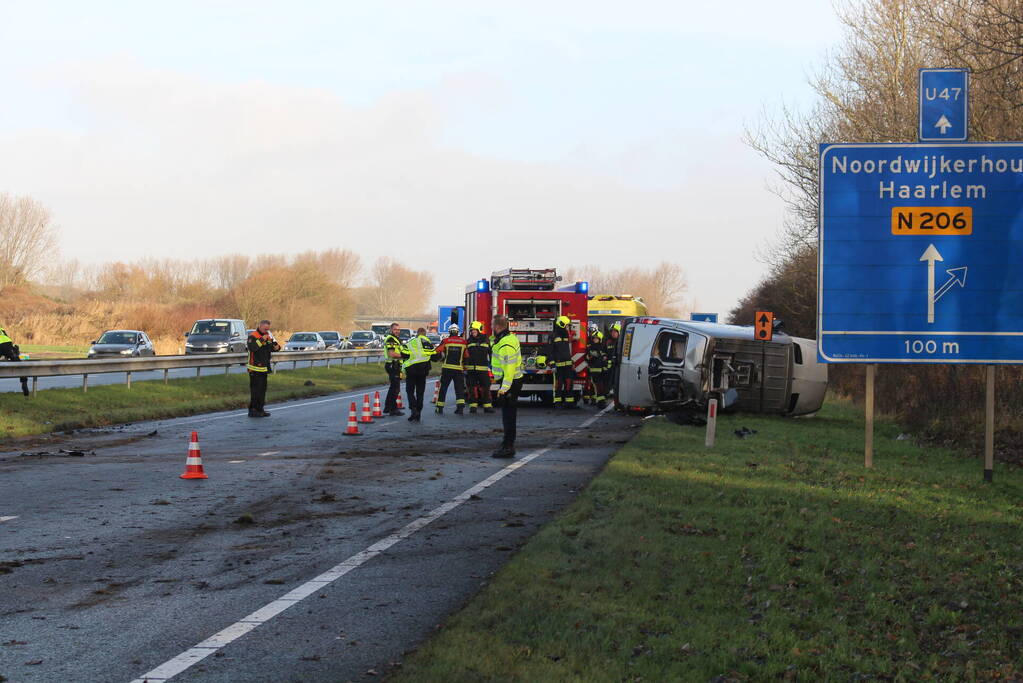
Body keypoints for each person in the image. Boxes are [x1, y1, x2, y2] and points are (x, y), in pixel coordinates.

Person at [490, 314, 523, 458]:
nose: (491, 327)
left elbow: (509, 369)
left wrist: (504, 389)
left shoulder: (505, 344)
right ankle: (506, 443)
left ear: (497, 327)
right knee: (508, 415)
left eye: (492, 325)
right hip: (511, 381)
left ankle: (508, 446)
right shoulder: (507, 339)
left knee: (508, 416)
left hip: (509, 383)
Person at [246, 320, 280, 417]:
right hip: (255, 368)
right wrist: (262, 339)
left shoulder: (268, 336)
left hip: (264, 368)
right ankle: (253, 410)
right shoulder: (253, 336)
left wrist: (277, 347)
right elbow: (253, 348)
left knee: (262, 390)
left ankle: (260, 409)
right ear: (260, 326)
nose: (266, 331)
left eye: (268, 329)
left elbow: (272, 347)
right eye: (265, 329)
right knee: (255, 391)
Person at [433, 323, 468, 415]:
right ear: (457, 332)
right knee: (459, 389)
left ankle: (439, 408)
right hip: (458, 369)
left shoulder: (446, 340)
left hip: (447, 368)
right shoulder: (463, 342)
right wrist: (465, 367)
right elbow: (466, 356)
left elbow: (437, 351)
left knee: (443, 388)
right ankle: (460, 409)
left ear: (450, 331)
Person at [402, 327, 435, 422]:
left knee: (410, 391)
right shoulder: (428, 344)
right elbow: (435, 356)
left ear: (417, 334)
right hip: (423, 372)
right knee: (420, 392)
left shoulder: (411, 342)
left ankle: (413, 410)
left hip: (411, 371)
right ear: (425, 334)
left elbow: (404, 354)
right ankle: (418, 412)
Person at [465, 321, 493, 414]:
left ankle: (487, 406)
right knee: (471, 388)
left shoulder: (486, 340)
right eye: (471, 331)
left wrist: (493, 365)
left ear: (479, 330)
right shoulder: (468, 341)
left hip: (483, 369)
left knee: (486, 388)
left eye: (474, 330)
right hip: (471, 370)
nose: (472, 332)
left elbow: (492, 353)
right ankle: (473, 407)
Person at [548, 314, 576, 408]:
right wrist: (552, 365)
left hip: (568, 365)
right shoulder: (553, 336)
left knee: (569, 384)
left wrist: (571, 362)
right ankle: (558, 402)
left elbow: (566, 351)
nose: (568, 327)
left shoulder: (566, 336)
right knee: (558, 385)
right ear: (562, 325)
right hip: (558, 366)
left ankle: (569, 403)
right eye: (567, 325)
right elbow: (550, 352)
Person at [382, 322, 406, 416]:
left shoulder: (397, 339)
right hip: (392, 365)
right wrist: (404, 356)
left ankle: (387, 407)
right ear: (391, 330)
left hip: (396, 365)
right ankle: (393, 409)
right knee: (395, 388)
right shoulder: (391, 339)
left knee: (393, 387)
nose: (397, 331)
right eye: (395, 329)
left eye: (398, 330)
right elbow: (391, 354)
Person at [0, 326, 29, 397]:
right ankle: (24, 382)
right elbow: (5, 337)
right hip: (8, 344)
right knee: (19, 365)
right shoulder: (1, 328)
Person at [585, 324, 608, 408]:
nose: (595, 340)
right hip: (594, 371)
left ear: (600, 339)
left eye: (597, 339)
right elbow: (587, 357)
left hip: (602, 371)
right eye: (594, 338)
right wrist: (590, 356)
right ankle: (600, 402)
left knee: (601, 387)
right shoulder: (591, 348)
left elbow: (604, 358)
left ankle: (600, 401)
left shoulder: (602, 348)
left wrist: (605, 364)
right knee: (598, 387)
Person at [604, 321, 621, 401]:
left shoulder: (621, 342)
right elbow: (603, 351)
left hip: (617, 365)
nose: (613, 333)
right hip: (607, 366)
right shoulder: (607, 341)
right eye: (612, 331)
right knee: (607, 380)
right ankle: (607, 391)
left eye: (615, 331)